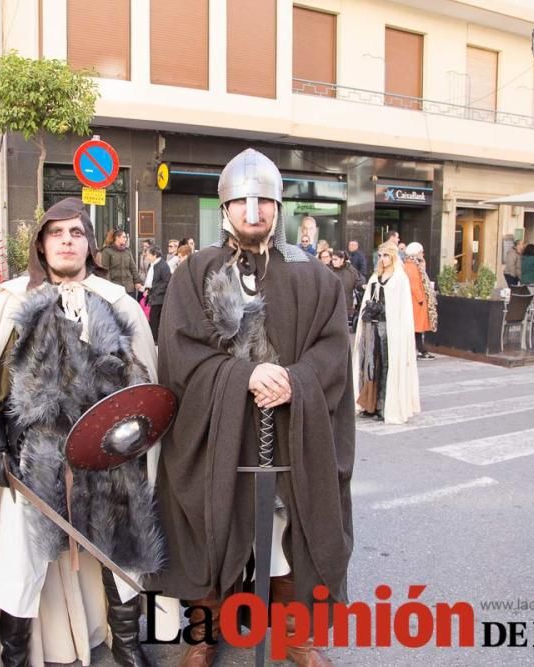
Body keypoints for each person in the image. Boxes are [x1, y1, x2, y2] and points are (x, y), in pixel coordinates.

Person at [0, 197, 171, 667]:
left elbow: (143, 382)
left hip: (108, 454)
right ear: (41, 244)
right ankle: (13, 655)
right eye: (56, 233)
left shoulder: (116, 302)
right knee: (20, 564)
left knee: (118, 554)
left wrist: (135, 443)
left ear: (89, 244)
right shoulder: (15, 303)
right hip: (37, 454)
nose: (66, 241)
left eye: (75, 233)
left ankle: (127, 647)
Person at [152, 148, 354, 667]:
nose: (253, 210)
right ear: (224, 209)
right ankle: (204, 633)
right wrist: (243, 375)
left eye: (263, 200)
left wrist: (296, 381)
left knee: (290, 529)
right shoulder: (194, 272)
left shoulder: (313, 278)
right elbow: (179, 354)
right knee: (206, 525)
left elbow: (333, 349)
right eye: (241, 201)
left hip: (289, 432)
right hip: (216, 433)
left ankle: (295, 636)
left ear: (278, 207)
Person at [353, 242, 420, 424]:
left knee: (386, 365)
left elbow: (402, 310)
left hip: (391, 330)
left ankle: (384, 405)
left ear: (393, 257)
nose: (382, 259)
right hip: (372, 327)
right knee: (369, 365)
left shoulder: (400, 279)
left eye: (386, 255)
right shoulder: (376, 277)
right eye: (380, 255)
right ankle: (370, 404)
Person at [403, 242, 437, 360]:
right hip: (416, 302)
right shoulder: (411, 266)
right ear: (416, 252)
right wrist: (421, 299)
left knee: (416, 328)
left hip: (417, 301)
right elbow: (414, 284)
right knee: (415, 328)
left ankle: (420, 349)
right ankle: (419, 350)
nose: (423, 254)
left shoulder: (413, 264)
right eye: (421, 251)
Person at [138, 245, 171, 341]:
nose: (146, 257)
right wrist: (147, 289)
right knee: (153, 318)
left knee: (155, 319)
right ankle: (155, 338)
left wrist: (155, 291)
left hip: (159, 297)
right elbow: (151, 280)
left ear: (155, 255)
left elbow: (166, 282)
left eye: (148, 255)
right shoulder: (151, 265)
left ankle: (156, 339)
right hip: (153, 295)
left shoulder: (163, 266)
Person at [98, 229, 138, 296]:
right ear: (117, 238)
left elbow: (133, 268)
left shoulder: (127, 251)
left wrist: (137, 281)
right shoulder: (107, 251)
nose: (126, 239)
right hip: (115, 287)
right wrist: (109, 286)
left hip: (129, 288)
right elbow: (105, 271)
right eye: (124, 237)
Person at [331, 250, 365, 325]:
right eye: (332, 259)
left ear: (342, 259)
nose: (333, 261)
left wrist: (362, 285)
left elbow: (358, 281)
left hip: (345, 304)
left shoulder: (350, 270)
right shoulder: (329, 269)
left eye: (335, 259)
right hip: (330, 304)